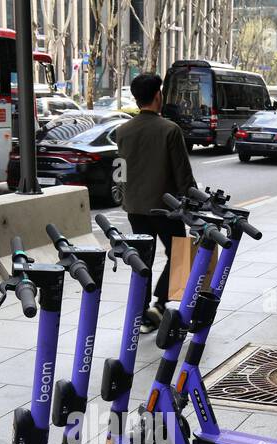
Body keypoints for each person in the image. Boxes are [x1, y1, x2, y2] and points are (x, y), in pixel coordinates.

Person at [114, 72, 197, 331]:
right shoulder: (170, 130)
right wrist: (194, 202)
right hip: (166, 208)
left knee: (143, 259)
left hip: (135, 208)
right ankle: (160, 304)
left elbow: (120, 171)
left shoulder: (122, 131)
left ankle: (141, 313)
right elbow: (182, 174)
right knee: (181, 255)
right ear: (158, 96)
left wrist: (127, 196)